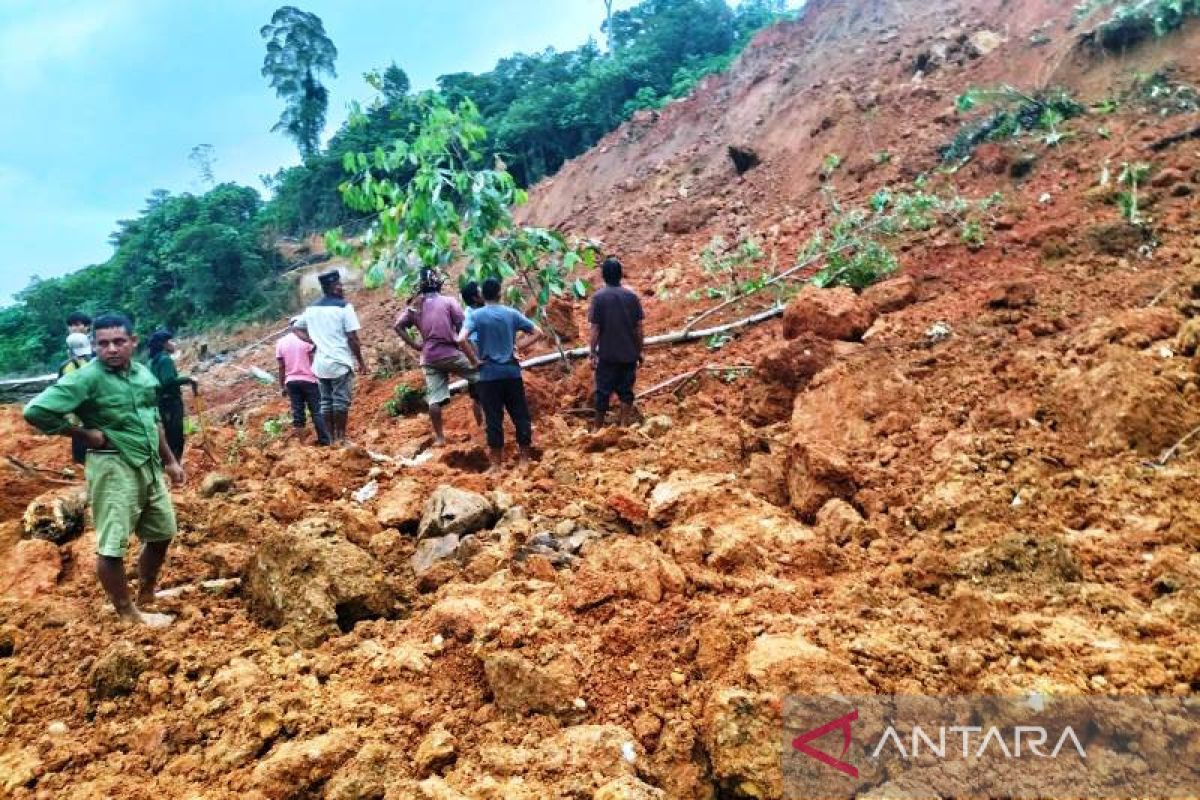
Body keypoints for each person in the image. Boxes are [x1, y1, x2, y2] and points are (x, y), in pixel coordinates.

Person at [23, 313, 184, 627]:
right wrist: (85, 435)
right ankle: (127, 614)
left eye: (119, 342)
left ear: (133, 342)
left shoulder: (143, 374)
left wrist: (170, 461)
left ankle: (147, 594)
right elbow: (36, 411)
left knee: (163, 532)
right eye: (103, 343)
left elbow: (153, 421)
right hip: (112, 467)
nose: (111, 349)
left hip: (148, 464)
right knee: (113, 545)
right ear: (94, 346)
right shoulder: (85, 378)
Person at [458, 277, 544, 471]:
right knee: (520, 415)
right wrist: (517, 347)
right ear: (499, 293)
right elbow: (538, 332)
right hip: (512, 372)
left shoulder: (475, 316)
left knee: (493, 418)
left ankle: (496, 463)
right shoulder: (511, 313)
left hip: (488, 375)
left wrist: (475, 361)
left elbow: (461, 339)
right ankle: (524, 459)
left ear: (482, 295)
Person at [394, 269, 480, 446]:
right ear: (438, 283)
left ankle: (440, 438)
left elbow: (398, 326)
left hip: (429, 358)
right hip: (451, 353)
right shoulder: (449, 302)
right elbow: (462, 329)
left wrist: (416, 345)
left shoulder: (415, 306)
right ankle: (484, 424)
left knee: (434, 399)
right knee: (482, 378)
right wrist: (474, 356)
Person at [303, 269, 367, 445]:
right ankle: (341, 437)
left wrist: (314, 341)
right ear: (331, 287)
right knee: (340, 401)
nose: (341, 288)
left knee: (325, 402)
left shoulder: (310, 309)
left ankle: (331, 440)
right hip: (339, 362)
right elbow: (353, 338)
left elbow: (295, 327)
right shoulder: (344, 307)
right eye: (338, 285)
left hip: (320, 364)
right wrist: (361, 362)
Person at [588, 256, 644, 429]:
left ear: (604, 276)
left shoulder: (598, 298)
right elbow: (638, 329)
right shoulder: (632, 297)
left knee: (602, 391)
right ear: (621, 275)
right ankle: (624, 424)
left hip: (608, 355)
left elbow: (595, 328)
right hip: (628, 354)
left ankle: (597, 427)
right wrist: (639, 351)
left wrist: (592, 352)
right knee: (626, 391)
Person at [275, 316, 331, 445]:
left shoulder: (281, 342)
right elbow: (313, 360)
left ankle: (302, 444)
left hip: (292, 382)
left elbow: (281, 366)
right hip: (310, 381)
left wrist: (282, 386)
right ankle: (325, 440)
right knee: (317, 411)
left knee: (298, 412)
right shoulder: (307, 340)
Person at [146, 329, 197, 463]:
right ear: (164, 344)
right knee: (176, 435)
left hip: (161, 402)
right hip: (171, 401)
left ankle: (167, 463)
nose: (173, 344)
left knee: (168, 433)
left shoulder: (152, 361)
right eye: (170, 341)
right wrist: (189, 379)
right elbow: (168, 381)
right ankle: (175, 465)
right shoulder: (165, 360)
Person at [60, 312, 95, 464]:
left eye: (78, 324)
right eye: (71, 325)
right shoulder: (68, 360)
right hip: (77, 411)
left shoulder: (97, 347)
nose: (74, 328)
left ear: (87, 327)